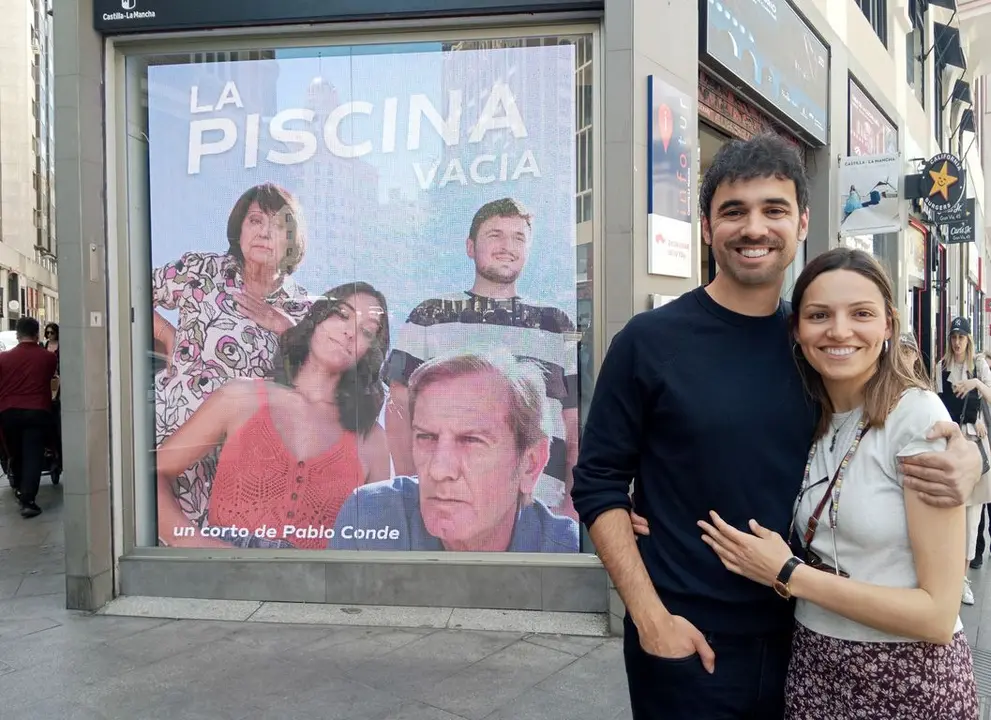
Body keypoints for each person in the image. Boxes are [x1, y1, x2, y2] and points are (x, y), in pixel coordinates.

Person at [570, 132, 981, 720]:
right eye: (733, 210)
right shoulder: (649, 342)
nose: (754, 227)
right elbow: (598, 483)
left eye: (774, 209)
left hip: (809, 646)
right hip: (691, 643)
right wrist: (650, 619)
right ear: (707, 228)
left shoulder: (816, 344)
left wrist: (973, 456)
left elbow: (897, 415)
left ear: (803, 223)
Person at [698, 247, 978, 719]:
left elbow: (936, 614)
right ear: (797, 330)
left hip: (905, 679)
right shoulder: (812, 414)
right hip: (814, 666)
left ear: (888, 325)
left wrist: (787, 573)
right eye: (819, 315)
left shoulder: (917, 419)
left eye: (862, 313)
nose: (839, 331)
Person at [382, 198, 579, 520]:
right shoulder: (431, 315)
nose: (507, 246)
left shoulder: (556, 324)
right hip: (448, 505)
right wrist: (416, 488)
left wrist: (572, 503)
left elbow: (574, 423)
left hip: (539, 507)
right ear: (470, 247)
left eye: (518, 238)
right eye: (495, 235)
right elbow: (399, 407)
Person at [155, 283, 390, 549]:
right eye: (342, 315)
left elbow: (374, 549)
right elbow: (152, 473)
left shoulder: (371, 439)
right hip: (217, 581)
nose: (350, 332)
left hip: (314, 586)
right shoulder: (239, 398)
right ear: (317, 318)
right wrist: (187, 539)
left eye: (367, 331)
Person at [153, 183, 312, 527]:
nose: (264, 232)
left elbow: (323, 386)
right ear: (239, 227)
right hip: (172, 440)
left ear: (292, 240)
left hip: (244, 462)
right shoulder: (200, 270)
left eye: (279, 224)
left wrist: (284, 328)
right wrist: (168, 335)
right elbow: (130, 293)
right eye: (255, 220)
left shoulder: (304, 309)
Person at [332, 352, 578, 553]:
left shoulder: (567, 557)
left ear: (530, 464)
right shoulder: (368, 515)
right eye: (426, 437)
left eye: (471, 440)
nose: (439, 470)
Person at [935, 317, 991, 586]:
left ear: (969, 339)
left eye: (961, 337)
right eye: (953, 337)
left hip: (974, 445)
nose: (957, 342)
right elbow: (935, 405)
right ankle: (949, 574)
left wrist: (976, 385)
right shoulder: (940, 368)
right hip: (948, 446)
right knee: (949, 512)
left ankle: (964, 579)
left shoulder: (978, 365)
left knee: (973, 515)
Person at [0, 317, 58, 518]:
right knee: (33, 454)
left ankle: (17, 485)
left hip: (8, 413)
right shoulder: (48, 358)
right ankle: (28, 499)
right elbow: (49, 379)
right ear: (36, 334)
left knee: (15, 453)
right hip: (37, 411)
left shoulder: (3, 358)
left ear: (17, 335)